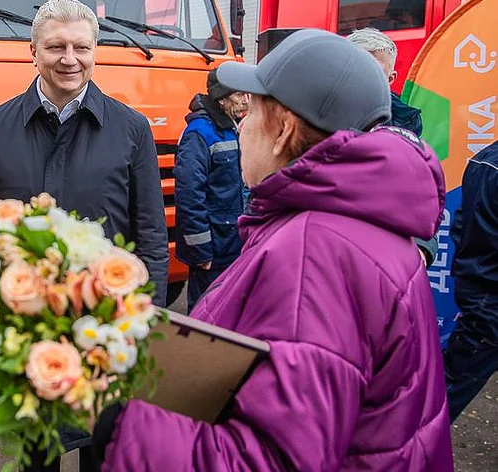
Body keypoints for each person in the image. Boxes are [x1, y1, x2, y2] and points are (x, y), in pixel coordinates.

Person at [91, 29, 453, 471]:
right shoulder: (357, 222)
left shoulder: (313, 253)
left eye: (253, 109)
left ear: (282, 128)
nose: (241, 124)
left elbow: (266, 460)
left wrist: (118, 412)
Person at [0, 0, 168, 472]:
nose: (69, 59)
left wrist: (148, 320)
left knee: (108, 450)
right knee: (36, 453)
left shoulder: (131, 129)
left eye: (82, 46)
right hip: (27, 325)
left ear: (96, 50)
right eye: (55, 46)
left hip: (106, 324)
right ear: (32, 51)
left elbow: (152, 234)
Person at [347, 27, 438, 266]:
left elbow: (422, 197)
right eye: (358, 70)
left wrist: (422, 248)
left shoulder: (407, 126)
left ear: (391, 79)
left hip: (386, 262)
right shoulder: (310, 119)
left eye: (375, 73)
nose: (365, 81)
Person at [172, 72, 249, 310]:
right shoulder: (199, 134)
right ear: (221, 99)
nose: (246, 100)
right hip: (213, 251)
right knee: (205, 315)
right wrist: (200, 252)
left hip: (233, 243)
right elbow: (189, 196)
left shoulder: (232, 128)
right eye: (239, 94)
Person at [443, 139, 498, 421]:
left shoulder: (485, 158)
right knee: (449, 389)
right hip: (488, 303)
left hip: (480, 293)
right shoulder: (491, 165)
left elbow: (461, 226)